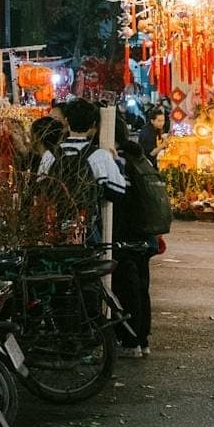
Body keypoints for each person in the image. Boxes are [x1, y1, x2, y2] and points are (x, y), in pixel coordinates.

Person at [38, 98, 126, 244]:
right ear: (93, 125)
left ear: (66, 122)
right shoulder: (99, 156)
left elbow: (40, 191)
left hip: (54, 229)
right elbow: (118, 192)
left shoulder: (50, 155)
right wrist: (117, 163)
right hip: (87, 230)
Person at [112, 130, 159, 357]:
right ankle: (143, 339)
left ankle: (131, 341)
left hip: (126, 237)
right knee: (141, 288)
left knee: (126, 289)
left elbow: (120, 201)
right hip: (146, 236)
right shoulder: (141, 159)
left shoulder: (120, 161)